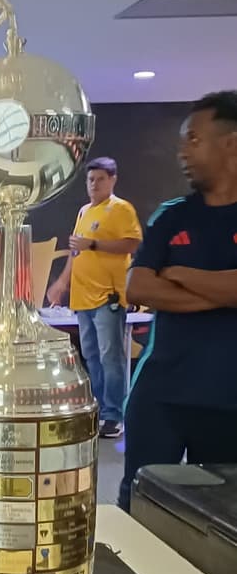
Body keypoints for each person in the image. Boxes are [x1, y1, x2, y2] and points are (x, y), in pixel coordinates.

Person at [118, 91, 237, 511]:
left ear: (230, 144)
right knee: (140, 504)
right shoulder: (172, 216)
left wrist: (182, 274)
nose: (181, 151)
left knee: (220, 517)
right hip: (161, 393)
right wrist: (224, 292)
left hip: (228, 399)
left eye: (193, 139)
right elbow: (139, 288)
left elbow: (162, 284)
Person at [47, 157, 142, 438]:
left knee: (110, 356)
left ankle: (114, 415)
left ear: (112, 179)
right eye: (90, 179)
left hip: (107, 296)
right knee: (91, 356)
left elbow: (133, 243)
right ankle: (98, 410)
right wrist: (61, 283)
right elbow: (77, 251)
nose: (94, 184)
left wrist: (95, 243)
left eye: (100, 179)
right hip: (82, 296)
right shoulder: (84, 211)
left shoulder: (121, 208)